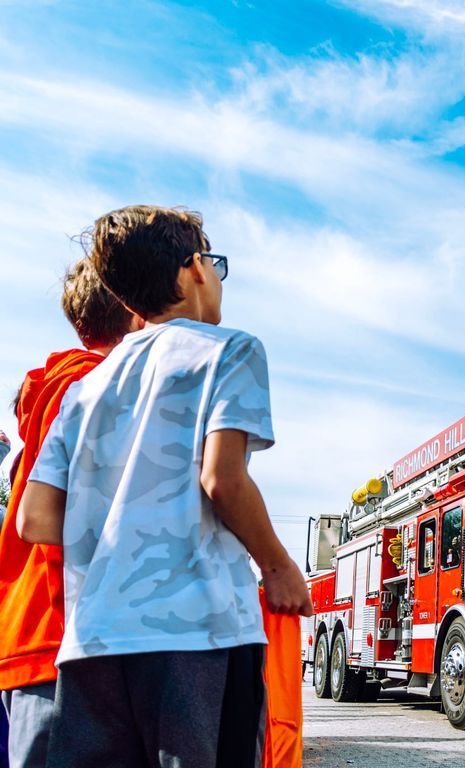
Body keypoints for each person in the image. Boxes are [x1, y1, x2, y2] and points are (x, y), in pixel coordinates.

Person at [18, 205, 312, 768]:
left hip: (92, 641)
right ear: (194, 268)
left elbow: (34, 518)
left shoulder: (85, 388)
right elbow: (223, 479)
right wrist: (277, 568)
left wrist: (116, 520)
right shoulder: (230, 350)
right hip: (200, 633)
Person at [0, 259, 138, 768]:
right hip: (69, 634)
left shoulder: (51, 387)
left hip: (32, 630)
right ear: (135, 307)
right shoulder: (96, 388)